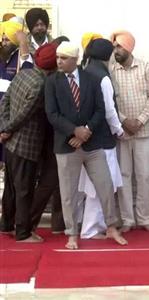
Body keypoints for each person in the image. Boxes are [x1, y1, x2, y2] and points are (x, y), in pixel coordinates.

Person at [45, 41, 127, 249]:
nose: (59, 61)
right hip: (66, 146)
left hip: (92, 144)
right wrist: (74, 131)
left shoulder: (92, 79)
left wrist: (85, 131)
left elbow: (100, 109)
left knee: (106, 186)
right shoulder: (52, 82)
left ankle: (111, 227)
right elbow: (52, 114)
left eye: (64, 58)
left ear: (75, 60)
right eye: (58, 57)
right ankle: (72, 234)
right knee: (69, 193)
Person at [0, 43, 57, 242]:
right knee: (24, 189)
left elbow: (5, 101)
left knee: (11, 188)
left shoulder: (23, 73)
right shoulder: (42, 84)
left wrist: (5, 127)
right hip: (26, 144)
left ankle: (6, 225)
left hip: (10, 143)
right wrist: (7, 128)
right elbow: (27, 112)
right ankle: (23, 233)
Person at [110, 30, 149, 232]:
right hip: (122, 132)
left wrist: (138, 121)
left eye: (119, 46)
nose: (116, 50)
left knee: (145, 176)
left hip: (143, 130)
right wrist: (124, 121)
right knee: (124, 175)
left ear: (129, 47)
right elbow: (109, 101)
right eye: (114, 47)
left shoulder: (146, 67)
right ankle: (128, 220)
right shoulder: (111, 71)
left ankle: (145, 219)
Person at [78, 38, 124, 239]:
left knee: (93, 185)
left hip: (87, 137)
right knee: (103, 185)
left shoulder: (85, 72)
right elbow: (108, 110)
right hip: (102, 138)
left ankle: (94, 226)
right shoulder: (103, 77)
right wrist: (119, 130)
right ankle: (90, 229)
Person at [30, 36, 71, 234]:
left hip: (49, 139)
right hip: (54, 139)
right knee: (50, 182)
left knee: (56, 183)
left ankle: (58, 224)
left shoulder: (49, 78)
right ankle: (28, 224)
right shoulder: (53, 81)